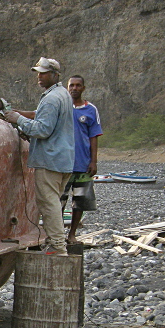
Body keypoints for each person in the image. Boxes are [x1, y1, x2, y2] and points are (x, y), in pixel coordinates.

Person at [5, 57, 74, 255]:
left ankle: (57, 247)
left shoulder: (52, 98)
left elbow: (43, 129)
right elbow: (42, 115)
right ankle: (57, 243)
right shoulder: (62, 94)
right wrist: (23, 114)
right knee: (54, 201)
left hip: (50, 160)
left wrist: (17, 119)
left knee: (48, 203)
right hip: (64, 158)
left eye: (43, 73)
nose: (39, 77)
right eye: (38, 73)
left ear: (54, 75)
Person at [61, 75, 103, 244]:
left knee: (79, 202)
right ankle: (55, 235)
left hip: (83, 164)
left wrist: (93, 161)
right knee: (59, 201)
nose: (75, 88)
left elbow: (94, 136)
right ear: (67, 87)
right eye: (72, 85)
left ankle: (72, 235)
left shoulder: (91, 109)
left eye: (78, 85)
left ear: (83, 88)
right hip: (62, 163)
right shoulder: (61, 107)